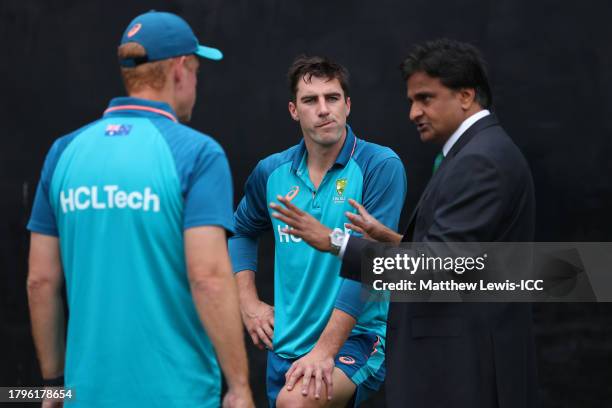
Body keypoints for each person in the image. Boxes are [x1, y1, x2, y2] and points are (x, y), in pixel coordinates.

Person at [270, 39, 537, 408]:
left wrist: (336, 241)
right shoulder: (473, 153)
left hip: (467, 364)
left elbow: (440, 269)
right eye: (412, 100)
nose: (413, 112)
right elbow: (462, 262)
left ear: (465, 95)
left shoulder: (480, 161)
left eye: (425, 98)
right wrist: (394, 239)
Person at [26, 11, 253, 408]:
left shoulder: (64, 152)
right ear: (181, 70)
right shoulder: (198, 154)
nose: (196, 83)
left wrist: (54, 384)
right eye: (197, 70)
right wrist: (239, 385)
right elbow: (209, 278)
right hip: (179, 394)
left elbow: (40, 282)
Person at [228, 55, 406, 407]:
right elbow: (241, 232)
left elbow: (370, 266)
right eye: (311, 100)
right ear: (294, 110)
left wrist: (325, 351)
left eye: (333, 98)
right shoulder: (271, 172)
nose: (324, 109)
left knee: (296, 403)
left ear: (348, 105)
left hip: (356, 338)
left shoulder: (379, 165)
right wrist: (248, 304)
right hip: (288, 344)